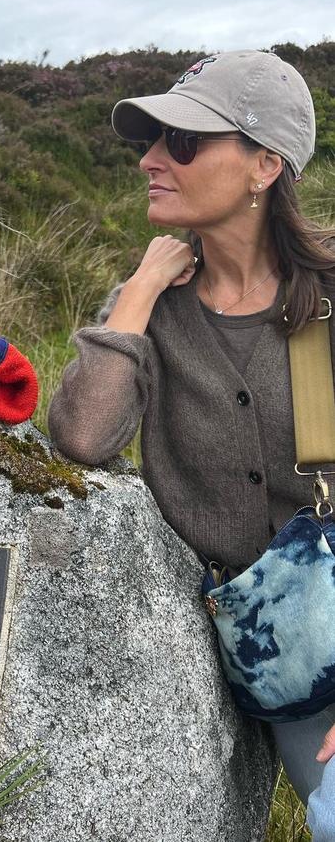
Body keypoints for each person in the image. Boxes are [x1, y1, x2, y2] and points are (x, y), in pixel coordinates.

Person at [48, 50, 335, 816]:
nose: (148, 160)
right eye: (152, 141)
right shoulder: (151, 310)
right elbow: (81, 436)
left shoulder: (330, 295)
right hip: (257, 649)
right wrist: (139, 290)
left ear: (264, 166)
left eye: (181, 142)